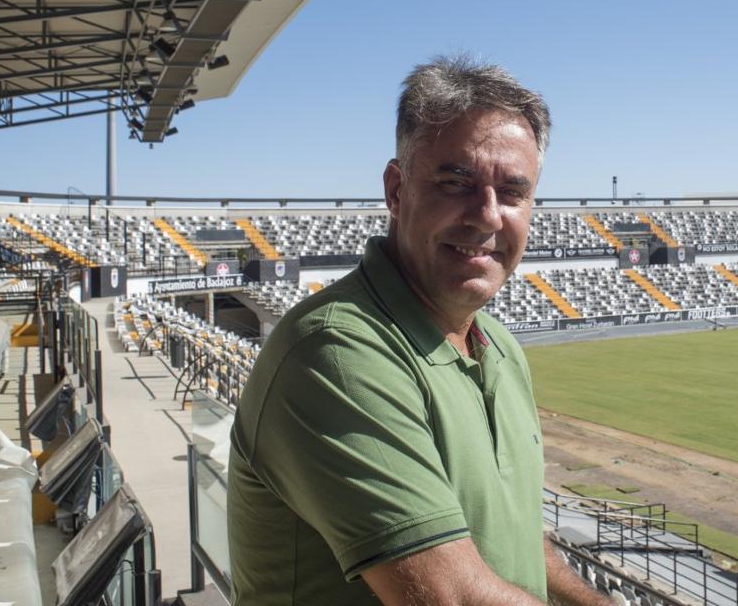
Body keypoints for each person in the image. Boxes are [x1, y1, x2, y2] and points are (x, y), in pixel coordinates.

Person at [227, 57, 612, 605]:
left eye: (512, 192)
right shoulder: (337, 354)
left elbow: (516, 531)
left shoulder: (498, 347)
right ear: (396, 189)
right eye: (456, 182)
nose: (486, 216)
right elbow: (452, 597)